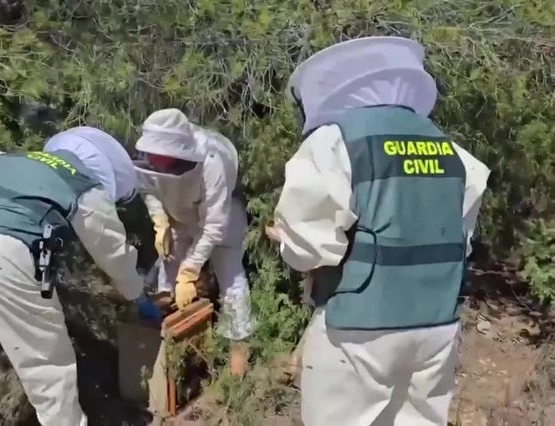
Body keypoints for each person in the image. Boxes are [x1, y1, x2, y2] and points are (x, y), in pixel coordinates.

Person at [267, 36, 491, 425]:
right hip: (437, 326)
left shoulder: (336, 139)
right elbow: (459, 238)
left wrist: (288, 242)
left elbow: (309, 247)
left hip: (360, 328)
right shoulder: (451, 148)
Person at [0, 126, 152, 426]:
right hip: (6, 254)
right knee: (48, 372)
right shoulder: (85, 186)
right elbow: (114, 255)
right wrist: (138, 294)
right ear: (106, 173)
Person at [133, 108, 254, 376]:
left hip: (221, 215)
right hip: (177, 216)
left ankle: (238, 361)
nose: (159, 163)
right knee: (169, 271)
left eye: (166, 160)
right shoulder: (149, 158)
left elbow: (213, 226)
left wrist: (191, 272)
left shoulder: (213, 160)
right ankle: (173, 347)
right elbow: (148, 189)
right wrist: (159, 220)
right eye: (156, 159)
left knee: (230, 277)